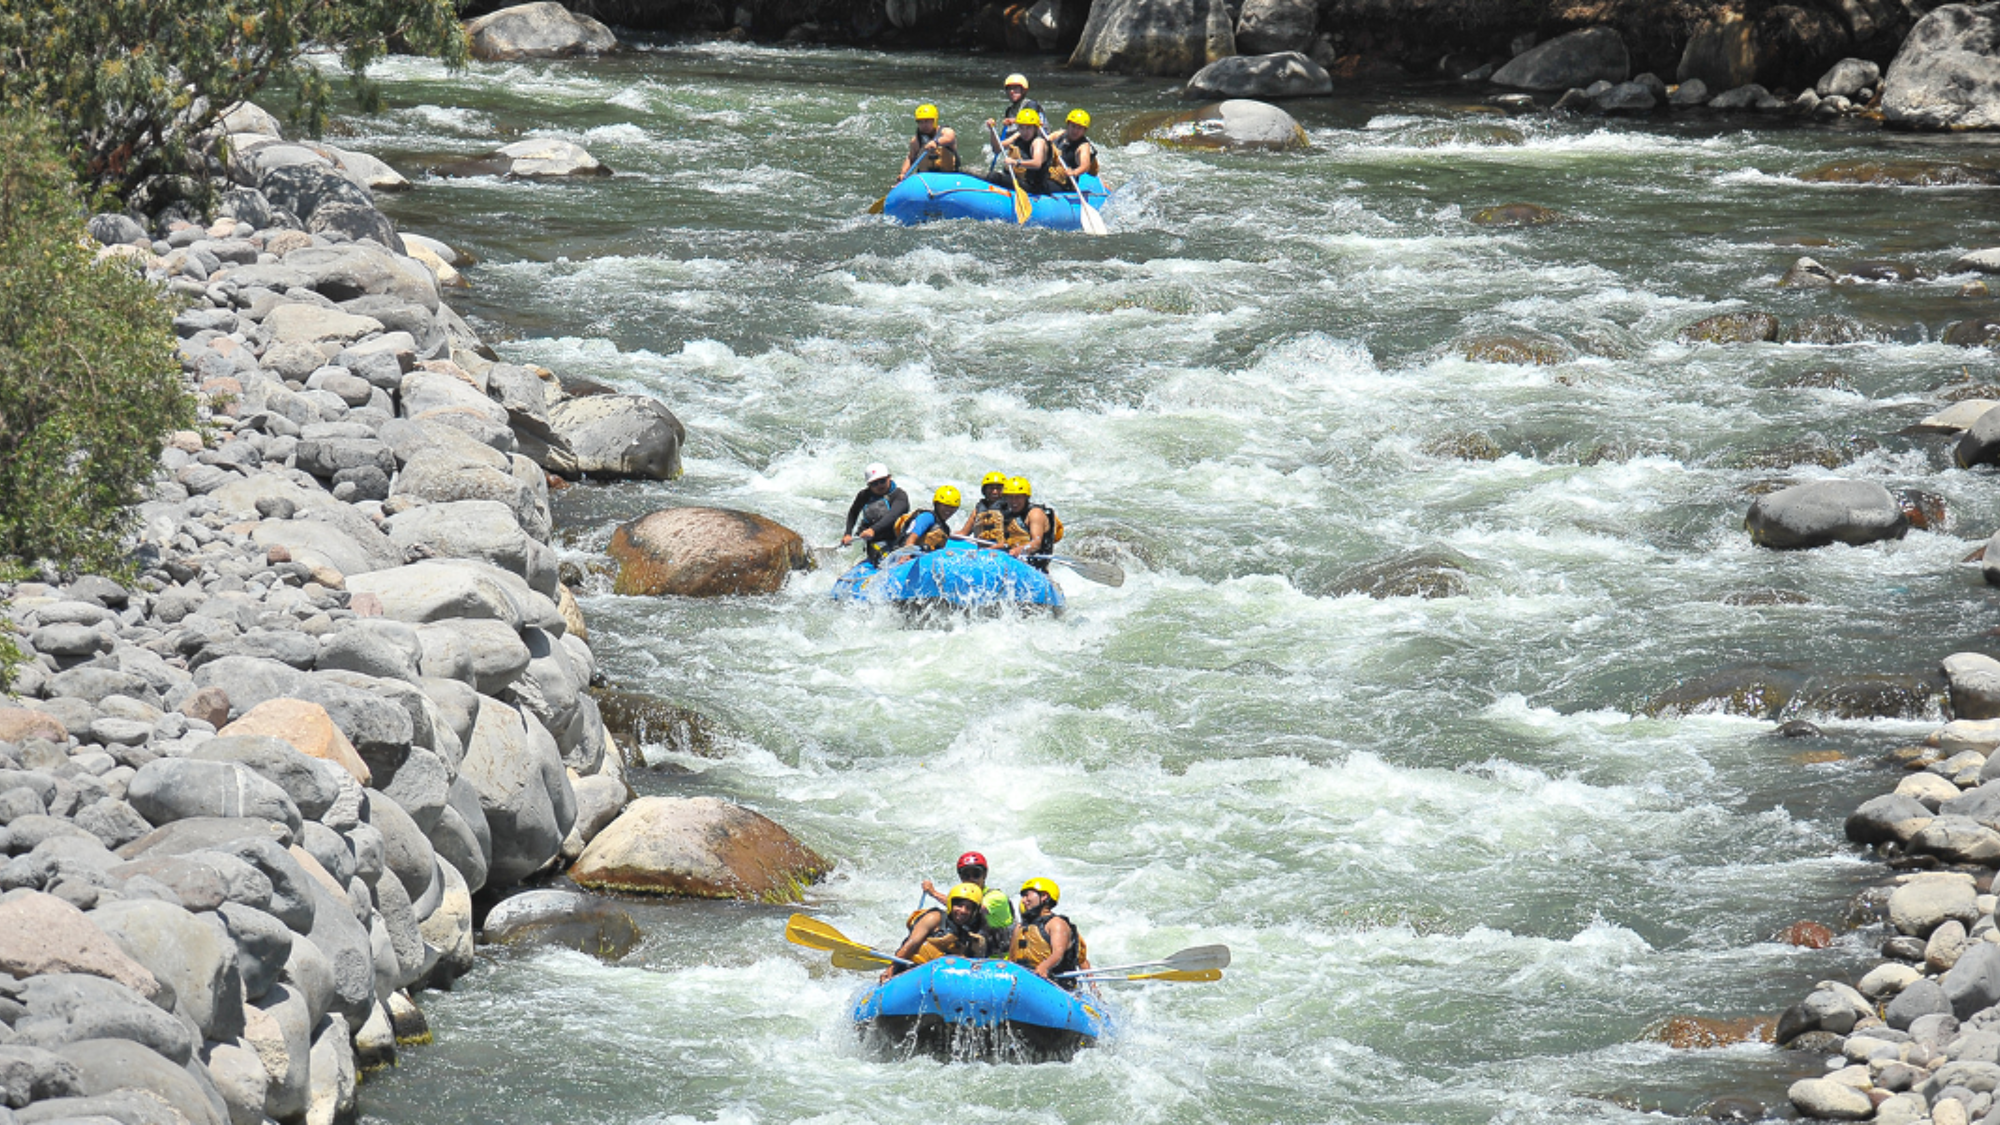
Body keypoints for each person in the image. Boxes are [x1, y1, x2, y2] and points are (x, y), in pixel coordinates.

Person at [883, 882, 996, 981]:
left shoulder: (971, 940)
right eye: (959, 905)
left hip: (941, 982)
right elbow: (911, 943)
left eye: (968, 908)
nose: (963, 911)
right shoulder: (935, 918)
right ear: (951, 904)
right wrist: (891, 968)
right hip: (911, 971)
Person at [1009, 877, 1088, 988]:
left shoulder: (1056, 923)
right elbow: (1011, 959)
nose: (1023, 900)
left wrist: (1044, 967)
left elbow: (1058, 953)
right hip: (1024, 981)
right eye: (1023, 896)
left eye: (1027, 895)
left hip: (1055, 984)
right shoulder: (1019, 927)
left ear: (1044, 896)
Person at [920, 850, 1014, 929]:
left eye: (976, 874)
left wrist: (934, 893)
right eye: (966, 875)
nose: (971, 879)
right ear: (960, 877)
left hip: (999, 950)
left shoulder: (997, 897)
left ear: (984, 875)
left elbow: (974, 908)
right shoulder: (959, 898)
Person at [842, 463, 909, 565]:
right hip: (876, 541)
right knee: (885, 560)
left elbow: (893, 515)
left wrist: (873, 530)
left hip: (899, 539)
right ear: (869, 485)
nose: (879, 486)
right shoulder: (864, 496)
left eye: (882, 481)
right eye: (874, 484)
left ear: (889, 478)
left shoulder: (900, 495)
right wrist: (847, 533)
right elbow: (853, 512)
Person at [1000, 476, 1063, 567]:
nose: (1014, 501)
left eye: (1018, 497)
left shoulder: (1035, 514)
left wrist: (1018, 550)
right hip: (1014, 561)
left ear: (1026, 497)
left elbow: (1036, 543)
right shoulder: (1008, 513)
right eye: (1010, 497)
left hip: (1036, 567)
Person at [999, 108, 1053, 195]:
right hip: (1019, 181)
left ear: (1035, 128)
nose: (1025, 132)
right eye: (1021, 127)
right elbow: (998, 147)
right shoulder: (1019, 135)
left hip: (1033, 187)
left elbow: (1037, 163)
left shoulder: (1038, 142)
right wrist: (991, 130)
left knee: (994, 177)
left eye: (1028, 128)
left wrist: (1016, 162)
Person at [900, 103, 958, 180]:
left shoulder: (945, 132)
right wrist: (903, 173)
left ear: (934, 121)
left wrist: (936, 142)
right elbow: (910, 158)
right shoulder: (916, 140)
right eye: (921, 122)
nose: (924, 125)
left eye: (927, 121)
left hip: (948, 176)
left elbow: (950, 137)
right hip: (925, 178)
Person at [893, 485, 961, 551]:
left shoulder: (945, 529)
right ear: (936, 504)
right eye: (945, 506)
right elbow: (912, 537)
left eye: (952, 507)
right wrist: (906, 555)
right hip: (905, 554)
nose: (948, 510)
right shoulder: (927, 517)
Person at [986, 73, 1043, 147]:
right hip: (1019, 139)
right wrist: (992, 130)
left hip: (1033, 139)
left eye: (1015, 88)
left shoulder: (1031, 104)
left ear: (1023, 90)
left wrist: (1012, 121)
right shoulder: (1009, 110)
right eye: (1009, 89)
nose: (1011, 91)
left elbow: (1031, 121)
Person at [1049, 109, 1099, 189]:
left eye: (1079, 128)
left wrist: (1074, 172)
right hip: (1050, 174)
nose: (1075, 131)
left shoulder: (1083, 146)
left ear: (1084, 130)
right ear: (1068, 125)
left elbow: (1085, 166)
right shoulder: (1059, 134)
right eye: (1073, 126)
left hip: (1065, 183)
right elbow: (1044, 141)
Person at [957, 471, 1008, 537]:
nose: (995, 492)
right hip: (983, 544)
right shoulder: (979, 508)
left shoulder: (1010, 508)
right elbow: (964, 533)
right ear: (984, 490)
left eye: (999, 488)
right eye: (991, 488)